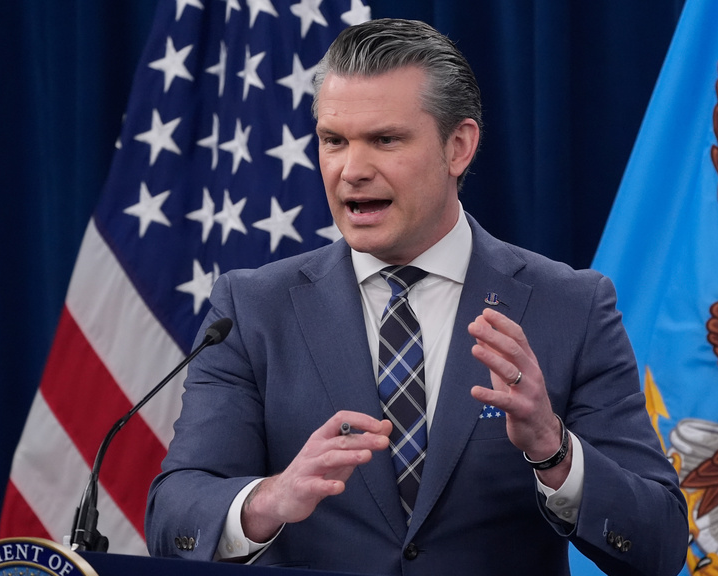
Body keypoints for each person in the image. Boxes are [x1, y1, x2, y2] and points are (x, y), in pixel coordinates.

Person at [146, 18, 687, 576]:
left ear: (458, 147)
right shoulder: (251, 310)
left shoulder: (571, 308)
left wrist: (553, 449)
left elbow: (661, 543)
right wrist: (270, 499)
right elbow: (174, 517)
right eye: (334, 141)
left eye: (385, 139)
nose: (351, 170)